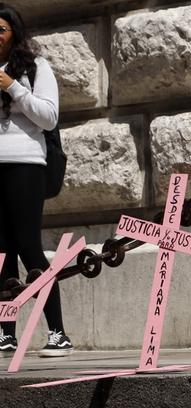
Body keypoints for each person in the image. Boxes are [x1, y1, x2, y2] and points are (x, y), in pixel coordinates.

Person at [0, 3, 71, 356]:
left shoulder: (35, 68)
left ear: (15, 33)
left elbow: (49, 117)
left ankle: (57, 331)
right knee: (1, 253)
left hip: (25, 163)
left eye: (0, 30)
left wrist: (13, 87)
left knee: (28, 244)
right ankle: (6, 332)